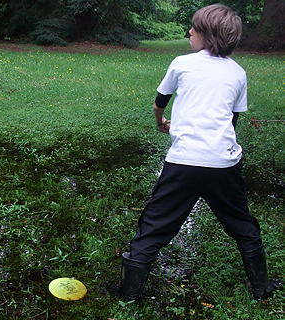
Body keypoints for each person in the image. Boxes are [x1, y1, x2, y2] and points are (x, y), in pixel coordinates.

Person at [120, 3, 282, 301]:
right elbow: (232, 121)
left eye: (194, 27)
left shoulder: (182, 63)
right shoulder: (238, 73)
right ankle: (261, 288)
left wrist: (161, 124)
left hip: (183, 162)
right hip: (224, 163)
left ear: (207, 36)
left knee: (154, 226)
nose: (189, 31)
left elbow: (159, 102)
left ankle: (128, 295)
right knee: (242, 223)